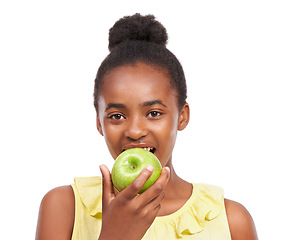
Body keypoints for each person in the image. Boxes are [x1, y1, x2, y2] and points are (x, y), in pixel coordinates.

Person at [36, 13, 258, 240]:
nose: (134, 131)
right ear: (99, 123)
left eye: (153, 113)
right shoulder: (65, 208)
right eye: (116, 116)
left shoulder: (230, 222)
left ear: (182, 116)